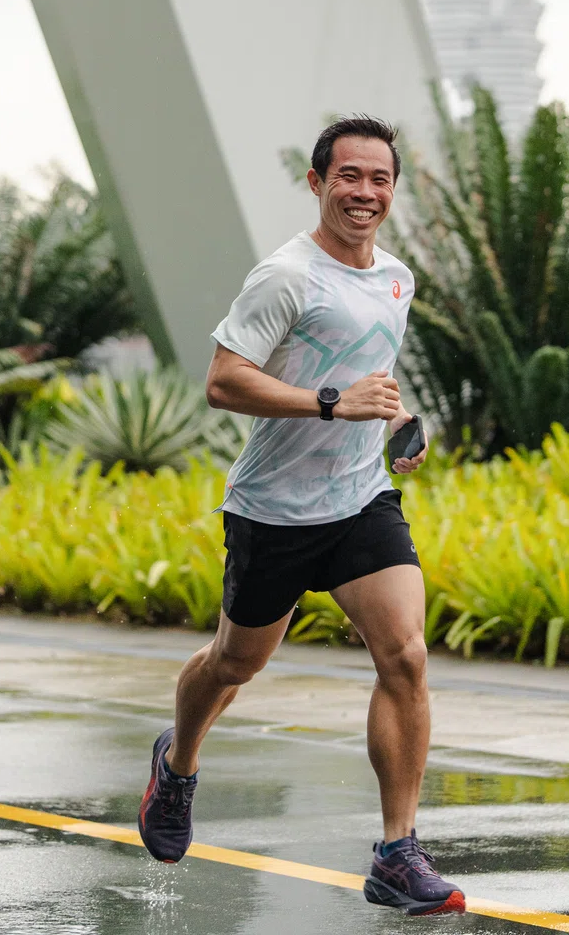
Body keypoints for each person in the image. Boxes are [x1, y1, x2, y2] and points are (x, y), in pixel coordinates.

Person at [138, 115, 465, 916]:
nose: (365, 192)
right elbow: (224, 381)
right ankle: (177, 767)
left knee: (407, 657)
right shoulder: (285, 276)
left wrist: (389, 421)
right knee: (233, 665)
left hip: (360, 501)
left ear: (393, 189)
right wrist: (330, 402)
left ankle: (397, 853)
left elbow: (367, 377)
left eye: (379, 178)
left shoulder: (396, 278)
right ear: (318, 183)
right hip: (275, 513)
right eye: (348, 176)